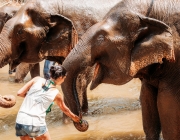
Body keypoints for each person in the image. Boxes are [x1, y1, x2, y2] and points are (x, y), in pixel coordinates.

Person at [15, 65, 80, 140]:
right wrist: (75, 118)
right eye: (64, 78)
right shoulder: (56, 94)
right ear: (60, 77)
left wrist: (34, 97)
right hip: (35, 122)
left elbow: (19, 93)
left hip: (21, 119)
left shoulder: (37, 79)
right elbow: (65, 109)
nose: (64, 80)